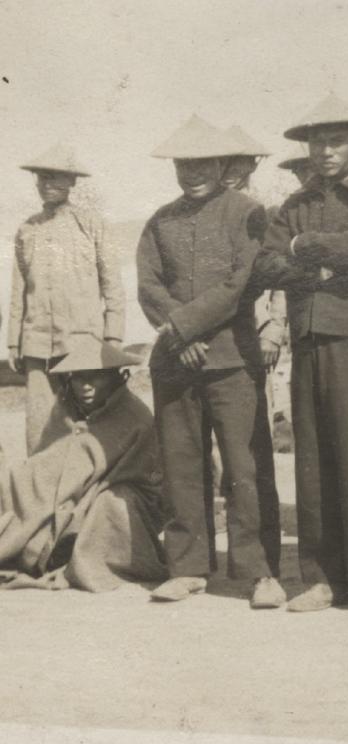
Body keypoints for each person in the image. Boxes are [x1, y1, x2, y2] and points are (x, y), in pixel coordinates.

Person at [250, 94, 348, 619]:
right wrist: (315, 261)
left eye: (337, 140)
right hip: (308, 336)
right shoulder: (292, 204)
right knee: (312, 462)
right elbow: (266, 267)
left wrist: (300, 246)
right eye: (318, 140)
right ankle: (320, 579)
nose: (325, 150)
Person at [136, 114, 282, 607]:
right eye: (183, 163)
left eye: (202, 163)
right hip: (175, 362)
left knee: (245, 465)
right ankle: (188, 567)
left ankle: (260, 572)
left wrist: (185, 326)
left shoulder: (247, 213)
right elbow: (149, 285)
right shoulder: (160, 220)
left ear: (222, 164)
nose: (192, 172)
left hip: (233, 361)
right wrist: (179, 336)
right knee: (181, 466)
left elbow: (241, 282)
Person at [0, 337, 168, 592]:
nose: (85, 386)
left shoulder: (136, 416)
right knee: (13, 480)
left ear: (116, 377)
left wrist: (83, 495)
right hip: (69, 497)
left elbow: (146, 480)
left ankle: (83, 560)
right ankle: (38, 550)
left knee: (111, 504)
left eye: (95, 377)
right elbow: (47, 460)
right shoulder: (64, 409)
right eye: (78, 378)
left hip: (122, 497)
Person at [8, 143, 125, 454]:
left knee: (84, 422)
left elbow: (112, 281)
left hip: (81, 343)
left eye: (56, 178)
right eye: (42, 178)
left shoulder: (91, 224)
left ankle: (84, 492)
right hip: (36, 344)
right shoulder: (26, 230)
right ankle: (39, 493)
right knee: (40, 424)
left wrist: (113, 335)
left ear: (72, 182)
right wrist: (14, 342)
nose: (48, 184)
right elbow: (19, 289)